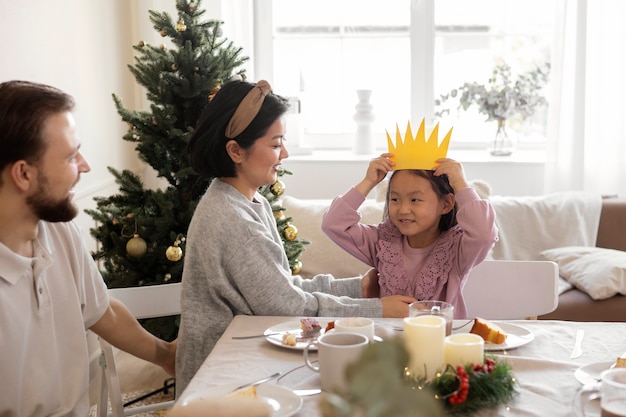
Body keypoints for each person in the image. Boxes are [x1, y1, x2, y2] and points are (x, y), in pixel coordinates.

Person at [176, 79, 415, 394]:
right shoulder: (231, 218)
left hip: (245, 359)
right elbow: (289, 307)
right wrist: (378, 310)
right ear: (235, 150)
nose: (284, 153)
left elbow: (281, 288)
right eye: (275, 144)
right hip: (222, 381)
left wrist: (359, 287)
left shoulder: (247, 201)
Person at [0, 80, 177, 417]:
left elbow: (103, 312)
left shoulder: (58, 229)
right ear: (23, 173)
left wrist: (166, 354)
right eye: (70, 156)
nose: (85, 166)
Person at [321, 153, 498, 319]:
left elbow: (484, 234)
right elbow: (333, 223)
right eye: (395, 199)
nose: (403, 210)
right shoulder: (382, 242)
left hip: (441, 344)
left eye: (415, 200)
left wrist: (460, 183)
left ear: (446, 204)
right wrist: (368, 181)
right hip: (389, 346)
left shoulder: (458, 250)